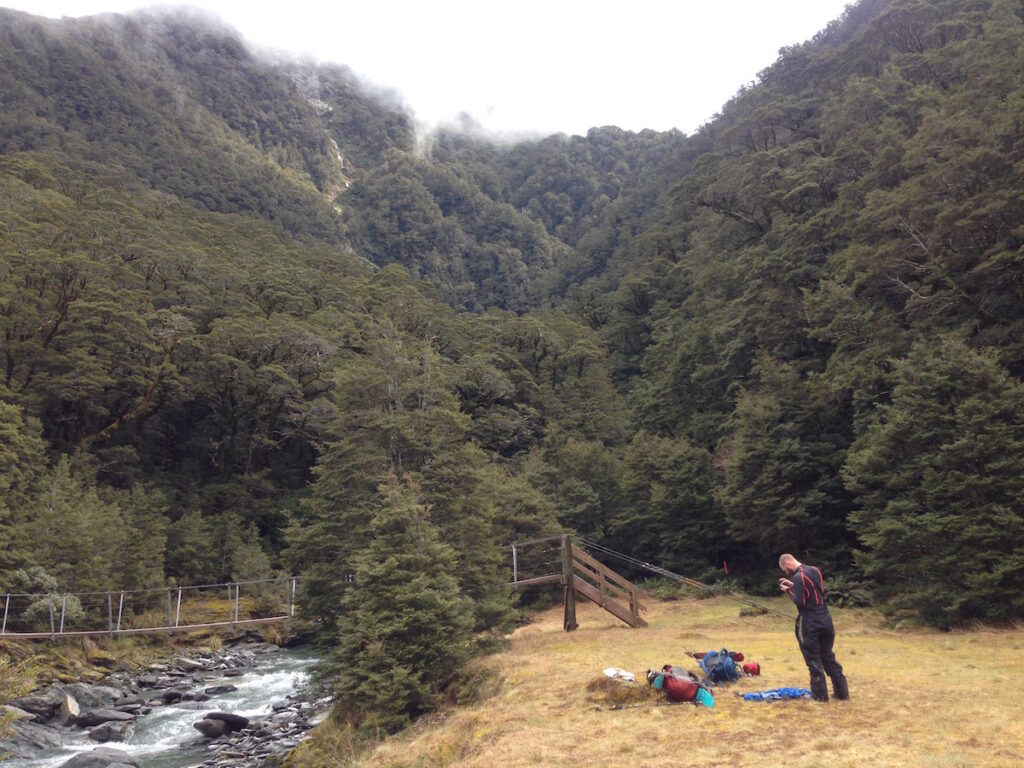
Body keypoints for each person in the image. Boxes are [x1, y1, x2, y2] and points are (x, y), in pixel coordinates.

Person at [778, 553, 849, 702]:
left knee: (813, 659)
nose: (786, 573)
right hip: (826, 619)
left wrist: (788, 590)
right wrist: (793, 586)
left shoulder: (798, 577)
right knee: (828, 656)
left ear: (787, 564)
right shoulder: (814, 570)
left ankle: (820, 696)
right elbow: (814, 590)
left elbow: (800, 601)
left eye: (784, 570)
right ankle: (842, 693)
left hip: (811, 623)